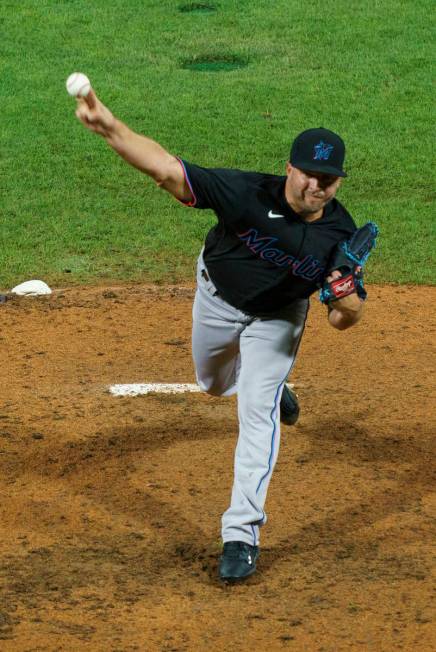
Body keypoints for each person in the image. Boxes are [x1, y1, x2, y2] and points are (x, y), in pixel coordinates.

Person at [74, 88, 365, 583]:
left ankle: (242, 534)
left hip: (278, 319)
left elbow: (344, 319)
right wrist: (111, 128)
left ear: (338, 181)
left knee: (257, 414)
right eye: (310, 174)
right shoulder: (246, 193)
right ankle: (275, 391)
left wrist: (343, 295)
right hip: (215, 298)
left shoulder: (340, 234)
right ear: (290, 168)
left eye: (329, 179)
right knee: (211, 383)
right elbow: (166, 169)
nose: (317, 186)